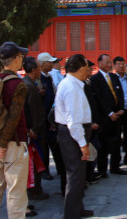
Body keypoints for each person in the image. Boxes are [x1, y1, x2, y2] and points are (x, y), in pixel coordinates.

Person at [0, 42, 29, 219]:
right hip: (13, 144)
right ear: (17, 58)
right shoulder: (18, 84)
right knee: (16, 192)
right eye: (21, 56)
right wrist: (2, 145)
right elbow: (14, 118)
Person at [54, 54, 94, 219]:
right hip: (72, 135)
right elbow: (74, 122)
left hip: (73, 134)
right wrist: (83, 145)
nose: (89, 70)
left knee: (79, 175)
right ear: (81, 68)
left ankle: (78, 208)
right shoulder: (71, 87)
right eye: (87, 67)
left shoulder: (74, 84)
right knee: (75, 176)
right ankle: (71, 214)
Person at [90, 54, 127, 176]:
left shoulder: (113, 76)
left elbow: (119, 93)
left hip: (117, 116)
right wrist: (109, 113)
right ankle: (102, 170)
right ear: (99, 63)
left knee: (117, 143)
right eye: (107, 62)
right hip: (104, 118)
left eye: (110, 62)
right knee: (104, 145)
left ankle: (115, 167)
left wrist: (121, 109)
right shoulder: (95, 79)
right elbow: (99, 99)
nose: (109, 65)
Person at [23, 56, 50, 201]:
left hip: (36, 129)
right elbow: (31, 111)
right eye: (39, 67)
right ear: (33, 70)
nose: (40, 70)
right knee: (35, 161)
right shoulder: (28, 86)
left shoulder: (30, 84)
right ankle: (34, 190)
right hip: (35, 131)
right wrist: (32, 129)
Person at [36, 52, 61, 181]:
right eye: (50, 62)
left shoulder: (49, 77)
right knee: (44, 146)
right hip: (41, 118)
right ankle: (44, 170)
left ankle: (60, 168)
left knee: (55, 144)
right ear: (43, 64)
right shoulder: (37, 78)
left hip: (51, 116)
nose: (52, 64)